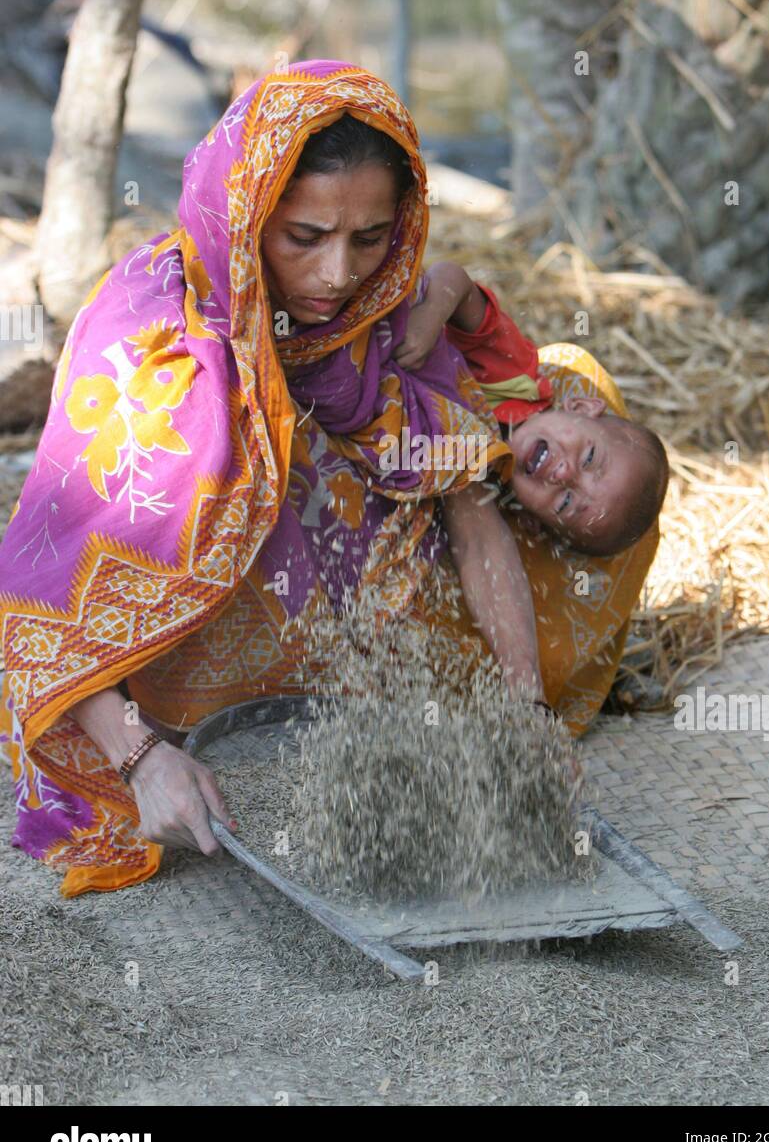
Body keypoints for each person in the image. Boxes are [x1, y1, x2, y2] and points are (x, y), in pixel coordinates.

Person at [0, 62, 657, 899]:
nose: (338, 274)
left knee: (586, 407)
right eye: (304, 238)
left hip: (371, 650)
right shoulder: (155, 333)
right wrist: (137, 758)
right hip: (191, 675)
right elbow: (45, 602)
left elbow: (469, 509)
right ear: (246, 213)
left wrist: (524, 714)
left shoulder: (388, 317)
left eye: (372, 236)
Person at [394, 259, 669, 555]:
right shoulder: (513, 377)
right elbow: (453, 279)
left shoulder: (480, 502)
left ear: (530, 522)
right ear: (580, 407)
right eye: (589, 458)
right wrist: (429, 316)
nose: (564, 474)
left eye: (565, 502)